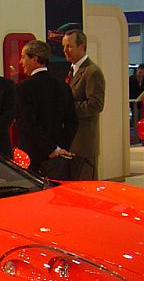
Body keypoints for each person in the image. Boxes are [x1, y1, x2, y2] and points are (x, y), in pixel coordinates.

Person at [15, 40, 77, 174]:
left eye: (23, 57)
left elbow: (28, 124)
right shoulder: (63, 87)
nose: (21, 62)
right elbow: (72, 122)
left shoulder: (23, 88)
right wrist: (59, 148)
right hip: (58, 157)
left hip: (31, 156)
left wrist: (51, 149)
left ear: (35, 59)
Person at [62, 29, 105, 178]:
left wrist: (68, 109)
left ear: (82, 46)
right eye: (64, 46)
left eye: (69, 46)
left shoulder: (92, 72)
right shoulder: (73, 70)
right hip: (72, 142)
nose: (65, 50)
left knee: (86, 189)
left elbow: (96, 104)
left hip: (84, 145)